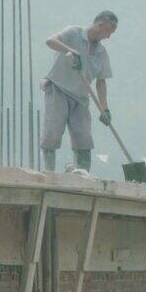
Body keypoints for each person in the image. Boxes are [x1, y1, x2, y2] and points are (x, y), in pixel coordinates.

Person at [40, 11, 117, 172]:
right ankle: (49, 172)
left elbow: (101, 82)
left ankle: (82, 173)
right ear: (100, 25)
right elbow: (50, 41)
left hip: (81, 97)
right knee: (52, 133)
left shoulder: (101, 52)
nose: (109, 36)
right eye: (109, 31)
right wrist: (70, 51)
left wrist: (105, 108)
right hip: (58, 89)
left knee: (84, 138)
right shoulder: (73, 33)